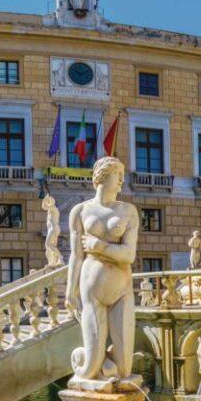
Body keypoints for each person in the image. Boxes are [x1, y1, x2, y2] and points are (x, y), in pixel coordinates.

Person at [65, 156, 139, 384]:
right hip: (91, 291)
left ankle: (108, 366)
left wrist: (100, 246)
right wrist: (70, 291)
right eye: (118, 175)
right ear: (103, 176)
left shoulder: (128, 211)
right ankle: (94, 362)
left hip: (122, 290)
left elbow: (129, 255)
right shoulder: (79, 211)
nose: (121, 181)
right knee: (88, 369)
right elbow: (76, 255)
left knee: (125, 371)